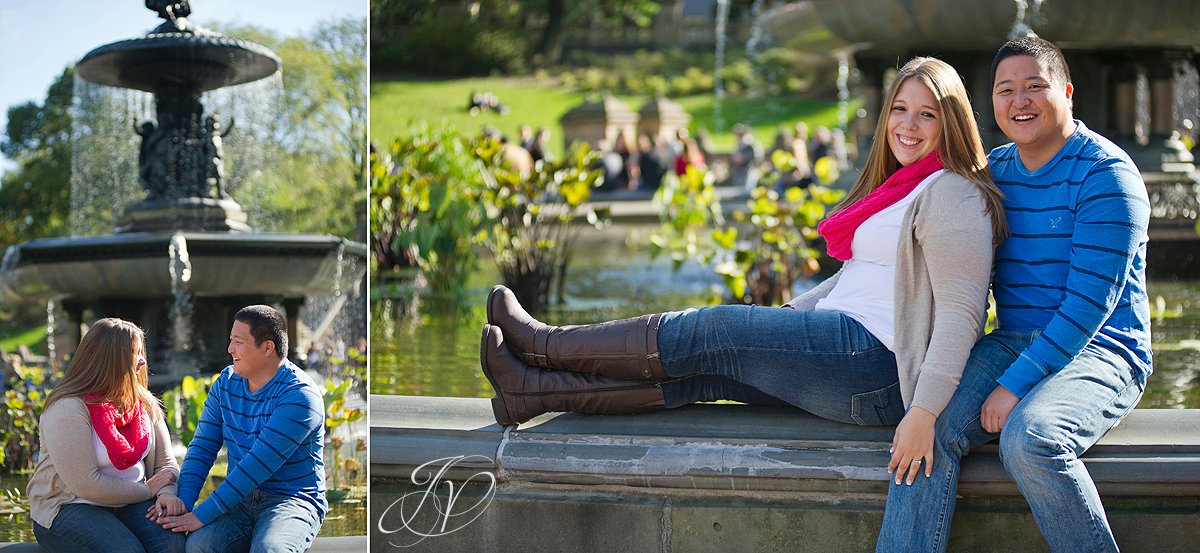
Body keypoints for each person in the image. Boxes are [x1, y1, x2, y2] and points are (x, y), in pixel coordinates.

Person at [479, 57, 1008, 487]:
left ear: (952, 123)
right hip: (848, 349)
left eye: (926, 114)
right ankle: (533, 393)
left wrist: (923, 411)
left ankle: (542, 343)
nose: (907, 126)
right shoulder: (907, 187)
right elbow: (854, 279)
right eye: (899, 109)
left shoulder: (955, 193)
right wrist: (785, 318)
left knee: (710, 329)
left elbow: (964, 316)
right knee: (706, 377)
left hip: (874, 361)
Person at [876, 37, 1152, 553]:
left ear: (1067, 92)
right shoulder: (993, 173)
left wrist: (1012, 386)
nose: (1018, 100)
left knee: (1031, 439)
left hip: (1103, 349)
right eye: (1005, 90)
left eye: (1034, 87)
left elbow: (1087, 308)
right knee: (923, 427)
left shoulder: (1107, 178)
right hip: (1010, 341)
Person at [154, 305, 327, 553]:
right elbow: (202, 449)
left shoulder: (299, 396)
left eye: (238, 341)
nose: (230, 349)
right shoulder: (225, 384)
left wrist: (200, 516)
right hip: (240, 503)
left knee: (269, 550)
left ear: (267, 348)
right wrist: (182, 504)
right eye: (230, 340)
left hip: (291, 501)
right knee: (199, 545)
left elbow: (255, 467)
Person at [28, 318, 185, 553]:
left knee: (172, 546)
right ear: (110, 358)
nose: (142, 361)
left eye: (142, 352)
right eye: (135, 353)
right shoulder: (67, 407)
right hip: (71, 506)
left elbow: (166, 463)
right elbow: (86, 483)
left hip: (132, 502)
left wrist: (165, 493)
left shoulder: (143, 403)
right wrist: (147, 491)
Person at [730, 123, 764, 190]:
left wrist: (741, 158)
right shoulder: (743, 141)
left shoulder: (747, 142)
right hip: (746, 166)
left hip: (751, 166)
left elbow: (751, 156)